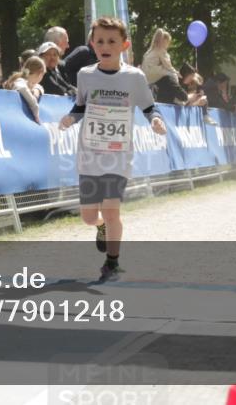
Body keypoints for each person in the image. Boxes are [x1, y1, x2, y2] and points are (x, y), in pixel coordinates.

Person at [59, 17, 166, 280]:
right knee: (88, 217)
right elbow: (81, 105)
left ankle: (112, 262)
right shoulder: (86, 75)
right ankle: (101, 228)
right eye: (100, 41)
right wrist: (71, 118)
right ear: (92, 44)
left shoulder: (134, 76)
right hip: (89, 155)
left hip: (118, 156)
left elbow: (149, 106)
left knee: (111, 210)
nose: (105, 46)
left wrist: (155, 119)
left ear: (124, 45)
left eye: (111, 41)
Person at [3, 55, 46, 123]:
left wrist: (36, 91)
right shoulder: (20, 81)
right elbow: (22, 88)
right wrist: (35, 109)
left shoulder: (29, 84)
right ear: (40, 74)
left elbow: (40, 87)